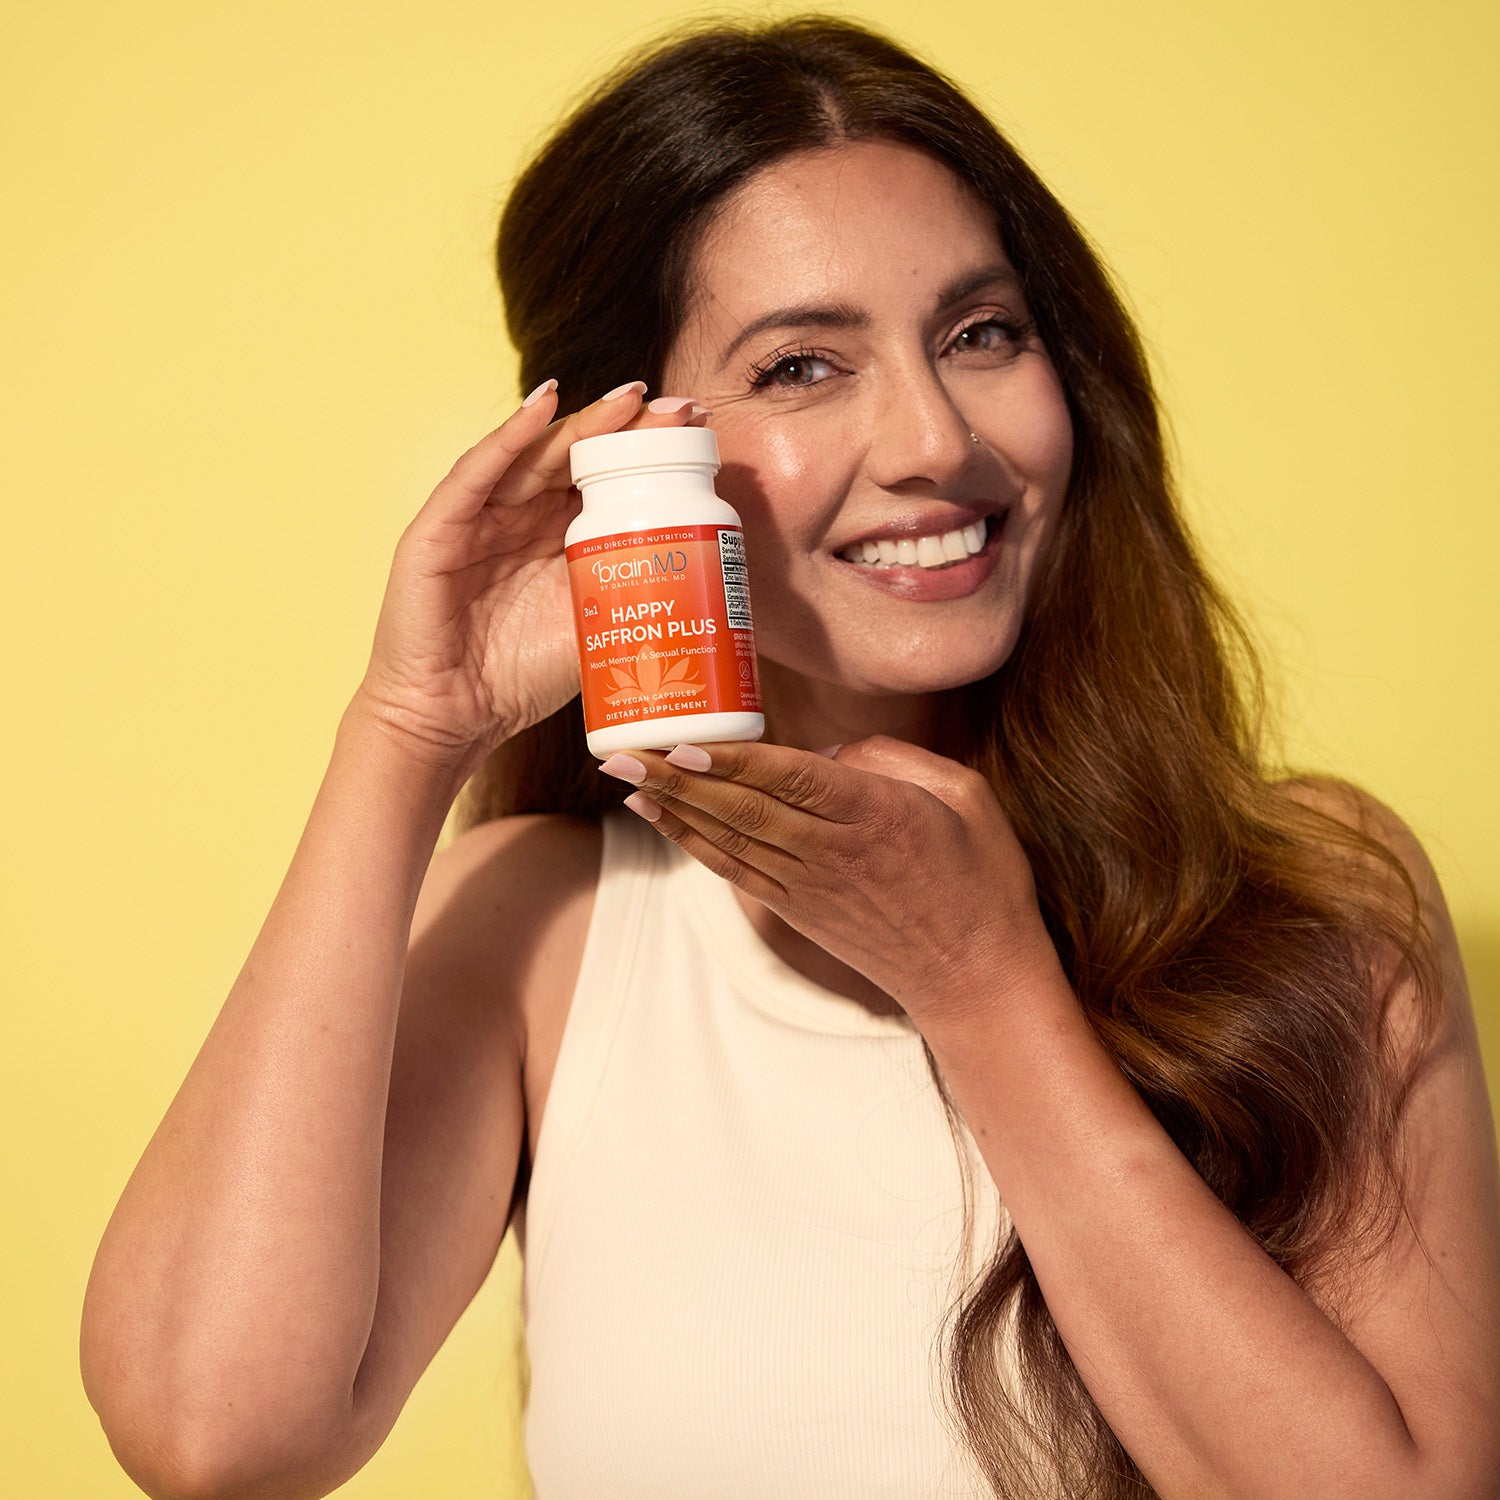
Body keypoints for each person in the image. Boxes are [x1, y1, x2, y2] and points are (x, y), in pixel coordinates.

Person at [80, 16, 1500, 1500]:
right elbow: (214, 1437)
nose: (933, 438)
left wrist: (982, 983)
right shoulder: (547, 936)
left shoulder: (1305, 896)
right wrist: (407, 733)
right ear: (629, 451)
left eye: (982, 333)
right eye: (805, 364)